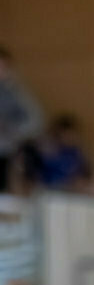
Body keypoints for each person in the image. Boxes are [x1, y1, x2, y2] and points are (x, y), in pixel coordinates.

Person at [0, 46, 44, 194]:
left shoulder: (15, 92)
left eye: (3, 67)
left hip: (5, 152)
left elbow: (36, 121)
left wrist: (10, 127)